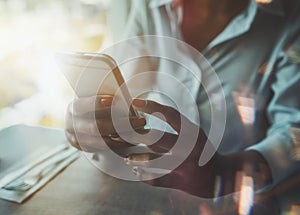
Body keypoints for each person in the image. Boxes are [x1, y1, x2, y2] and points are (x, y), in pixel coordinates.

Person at [65, 0, 300, 198]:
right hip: (147, 194)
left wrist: (224, 174)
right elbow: (125, 89)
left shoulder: (290, 17)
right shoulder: (148, 5)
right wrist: (92, 123)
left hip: (245, 201)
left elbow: (294, 130)